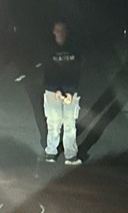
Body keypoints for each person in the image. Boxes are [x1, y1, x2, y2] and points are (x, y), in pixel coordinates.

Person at [43, 21, 82, 165]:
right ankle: (51, 152)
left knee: (70, 123)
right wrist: (57, 90)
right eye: (57, 30)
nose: (60, 33)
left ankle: (70, 155)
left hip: (70, 91)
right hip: (53, 91)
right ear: (53, 32)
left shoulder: (74, 48)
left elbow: (77, 71)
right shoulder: (48, 48)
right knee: (54, 122)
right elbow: (48, 72)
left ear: (66, 32)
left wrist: (70, 92)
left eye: (62, 30)